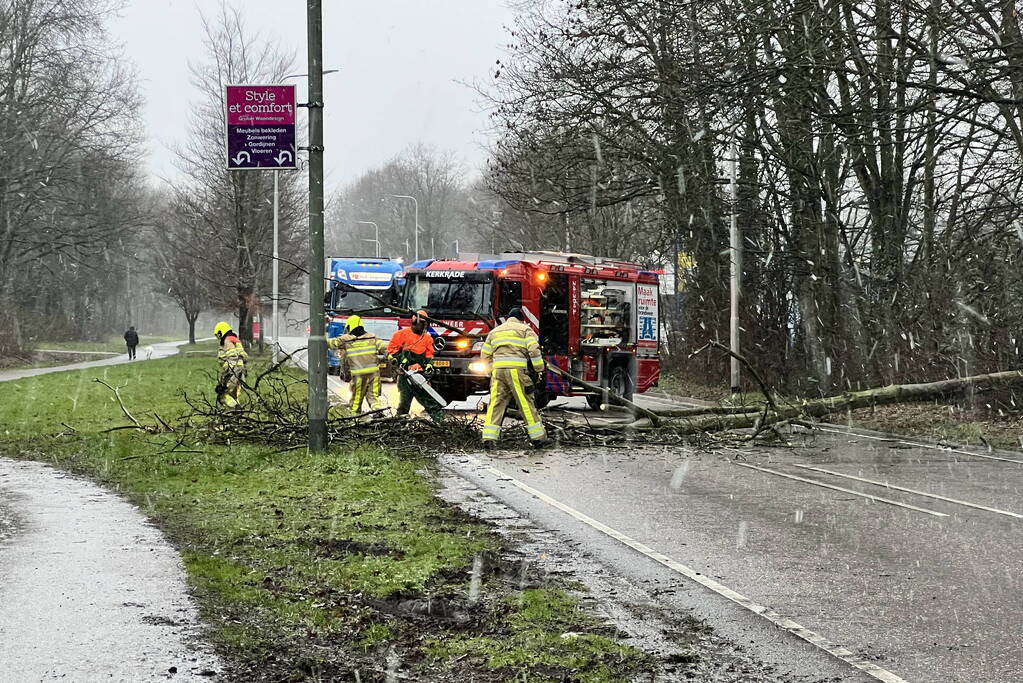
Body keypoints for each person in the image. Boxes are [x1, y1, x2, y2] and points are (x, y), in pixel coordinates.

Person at [480, 307, 548, 448]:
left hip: (498, 372)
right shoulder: (525, 330)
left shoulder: (495, 331)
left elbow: (485, 355)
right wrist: (539, 369)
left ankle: (489, 438)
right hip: (516, 372)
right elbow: (534, 350)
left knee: (496, 403)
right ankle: (538, 438)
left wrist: (490, 370)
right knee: (525, 403)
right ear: (521, 319)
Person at [386, 310, 445, 421]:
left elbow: (429, 354)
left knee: (429, 402)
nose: (423, 326)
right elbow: (391, 350)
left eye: (425, 323)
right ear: (414, 321)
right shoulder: (401, 334)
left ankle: (442, 422)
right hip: (405, 375)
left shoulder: (427, 338)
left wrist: (429, 365)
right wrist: (401, 359)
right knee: (404, 404)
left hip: (420, 375)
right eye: (422, 323)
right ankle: (399, 425)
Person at [328, 315, 387, 415]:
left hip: (359, 374)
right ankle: (377, 411)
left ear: (350, 326)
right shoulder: (372, 337)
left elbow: (331, 343)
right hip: (374, 373)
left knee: (357, 399)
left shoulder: (346, 339)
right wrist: (392, 358)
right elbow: (385, 348)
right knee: (373, 396)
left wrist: (316, 340)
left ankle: (355, 419)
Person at [213, 321, 248, 409]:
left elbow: (232, 358)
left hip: (233, 371)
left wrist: (226, 378)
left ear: (221, 332)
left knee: (223, 395)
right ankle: (238, 413)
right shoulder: (235, 340)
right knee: (234, 394)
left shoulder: (227, 341)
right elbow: (244, 357)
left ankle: (236, 407)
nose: (218, 337)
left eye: (218, 334)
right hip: (241, 371)